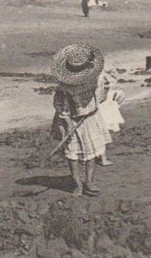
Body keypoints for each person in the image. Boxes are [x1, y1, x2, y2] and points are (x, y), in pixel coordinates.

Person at [50, 43, 110, 196]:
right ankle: (77, 184)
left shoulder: (97, 78)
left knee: (92, 151)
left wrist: (95, 103)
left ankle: (89, 181)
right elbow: (60, 106)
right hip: (71, 119)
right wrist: (68, 124)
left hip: (91, 118)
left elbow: (103, 95)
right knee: (73, 154)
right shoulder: (64, 86)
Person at [96, 68, 125, 166]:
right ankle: (102, 158)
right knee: (102, 134)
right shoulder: (114, 91)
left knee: (100, 134)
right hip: (106, 112)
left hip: (101, 111)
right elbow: (121, 97)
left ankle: (101, 157)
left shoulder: (103, 89)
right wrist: (116, 105)